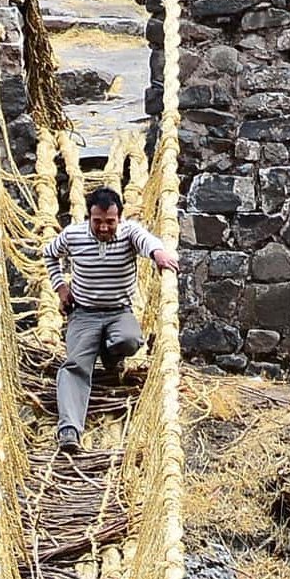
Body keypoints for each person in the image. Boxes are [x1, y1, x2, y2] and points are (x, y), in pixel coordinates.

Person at [44, 183, 179, 457]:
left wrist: (159, 254)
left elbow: (147, 242)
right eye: (97, 222)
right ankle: (69, 429)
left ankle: (110, 355)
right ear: (88, 218)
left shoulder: (129, 233)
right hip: (84, 313)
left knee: (130, 341)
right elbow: (49, 255)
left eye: (110, 222)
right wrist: (61, 288)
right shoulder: (73, 236)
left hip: (119, 312)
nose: (104, 228)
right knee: (75, 366)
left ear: (119, 218)